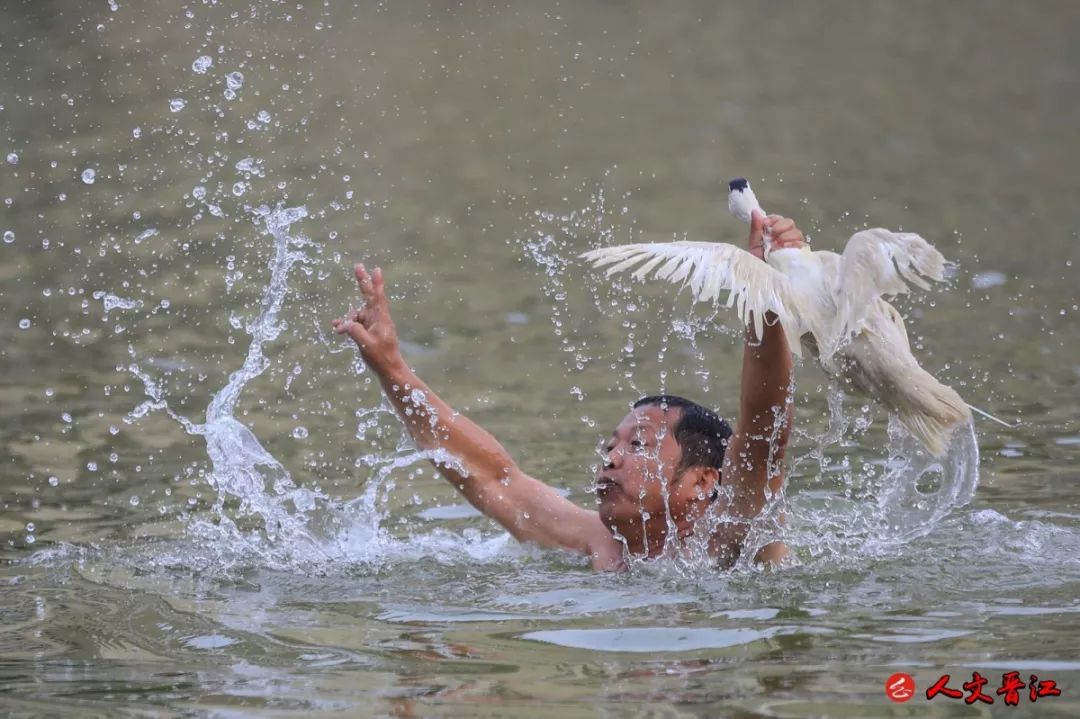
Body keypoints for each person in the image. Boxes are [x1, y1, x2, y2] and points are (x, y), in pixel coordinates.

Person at [331, 212, 807, 570]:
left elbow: (765, 424)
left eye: (637, 444)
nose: (611, 459)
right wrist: (392, 369)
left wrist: (761, 293)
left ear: (703, 481)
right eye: (611, 446)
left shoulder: (734, 531)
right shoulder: (598, 542)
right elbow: (494, 478)